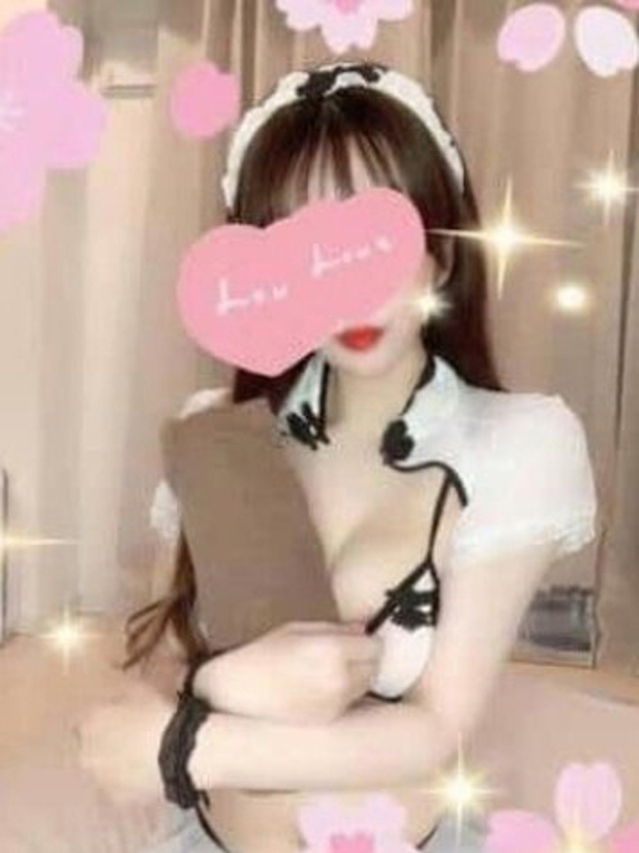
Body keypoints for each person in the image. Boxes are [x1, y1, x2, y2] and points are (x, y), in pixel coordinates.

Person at [87, 60, 598, 853]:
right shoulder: (216, 431)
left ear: (442, 249)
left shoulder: (517, 443)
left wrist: (188, 748)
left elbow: (435, 727)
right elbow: (157, 671)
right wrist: (216, 681)